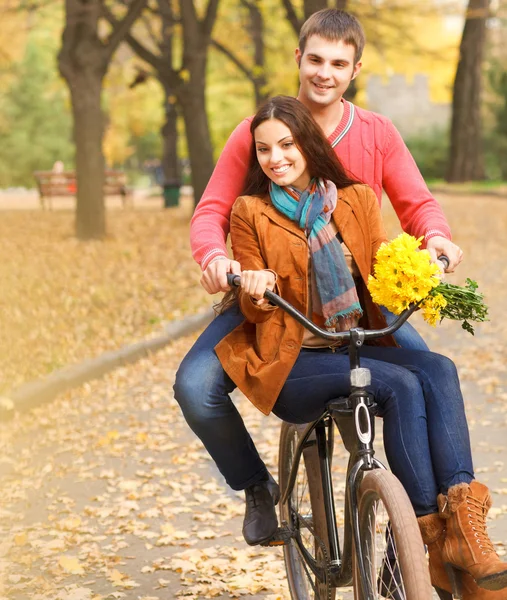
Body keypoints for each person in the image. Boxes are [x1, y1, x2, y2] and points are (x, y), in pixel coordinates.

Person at [213, 95, 507, 597]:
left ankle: (463, 532)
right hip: (294, 360)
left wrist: (419, 268)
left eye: (286, 144)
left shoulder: (356, 199)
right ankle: (430, 541)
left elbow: (377, 275)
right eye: (263, 150)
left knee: (438, 369)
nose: (276, 158)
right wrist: (254, 285)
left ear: (308, 142)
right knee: (398, 384)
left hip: (351, 339)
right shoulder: (250, 211)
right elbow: (255, 313)